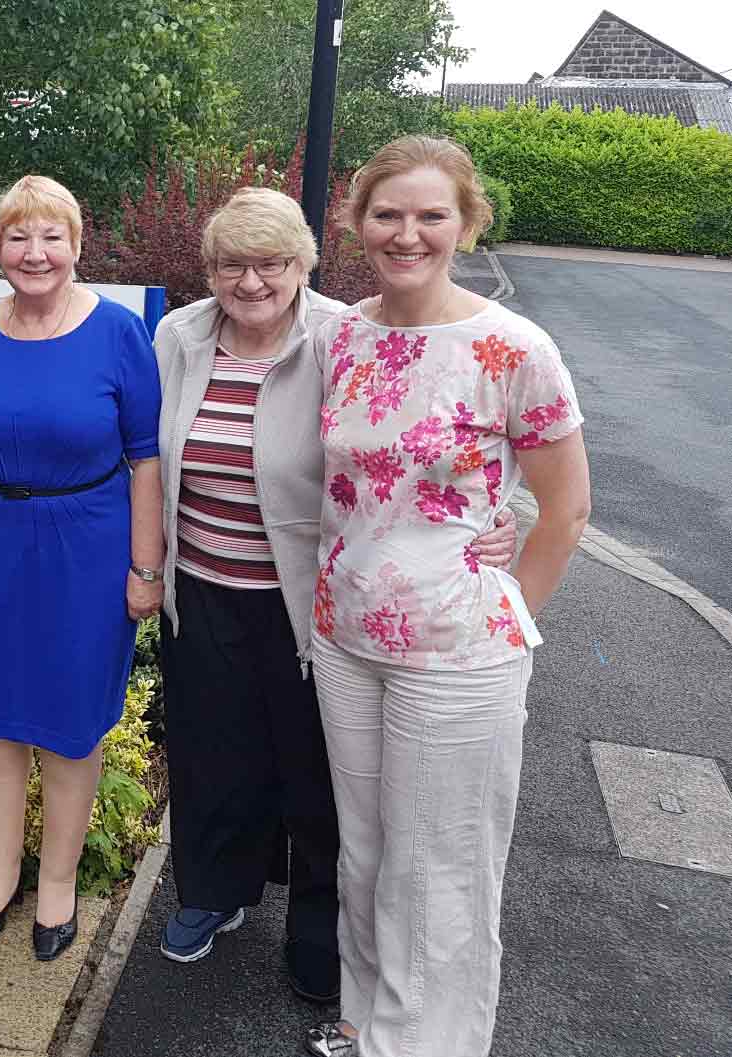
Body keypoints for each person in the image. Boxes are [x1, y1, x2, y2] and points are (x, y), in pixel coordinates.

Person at [151, 188, 520, 1005]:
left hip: (312, 599)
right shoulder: (178, 335)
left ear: (304, 265)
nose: (251, 282)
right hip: (202, 588)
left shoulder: (342, 336)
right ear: (208, 268)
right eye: (231, 264)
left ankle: (317, 928)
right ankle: (215, 895)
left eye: (272, 263)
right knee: (213, 756)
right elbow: (149, 452)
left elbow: (428, 436)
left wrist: (500, 516)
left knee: (315, 775)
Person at [303, 136, 590, 1057]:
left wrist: (508, 615)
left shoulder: (513, 346)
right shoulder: (342, 332)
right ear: (356, 223)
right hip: (346, 634)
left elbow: (568, 507)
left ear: (467, 223)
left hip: (460, 654)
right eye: (387, 213)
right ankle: (363, 1020)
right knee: (368, 852)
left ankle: (425, 1046)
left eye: (431, 214)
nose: (407, 233)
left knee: (444, 871)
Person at [0, 175, 163, 962]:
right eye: (16, 237)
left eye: (50, 237)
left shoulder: (116, 333)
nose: (33, 253)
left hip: (88, 544)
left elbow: (145, 458)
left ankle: (58, 883)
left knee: (71, 724)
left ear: (77, 245)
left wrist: (147, 567)